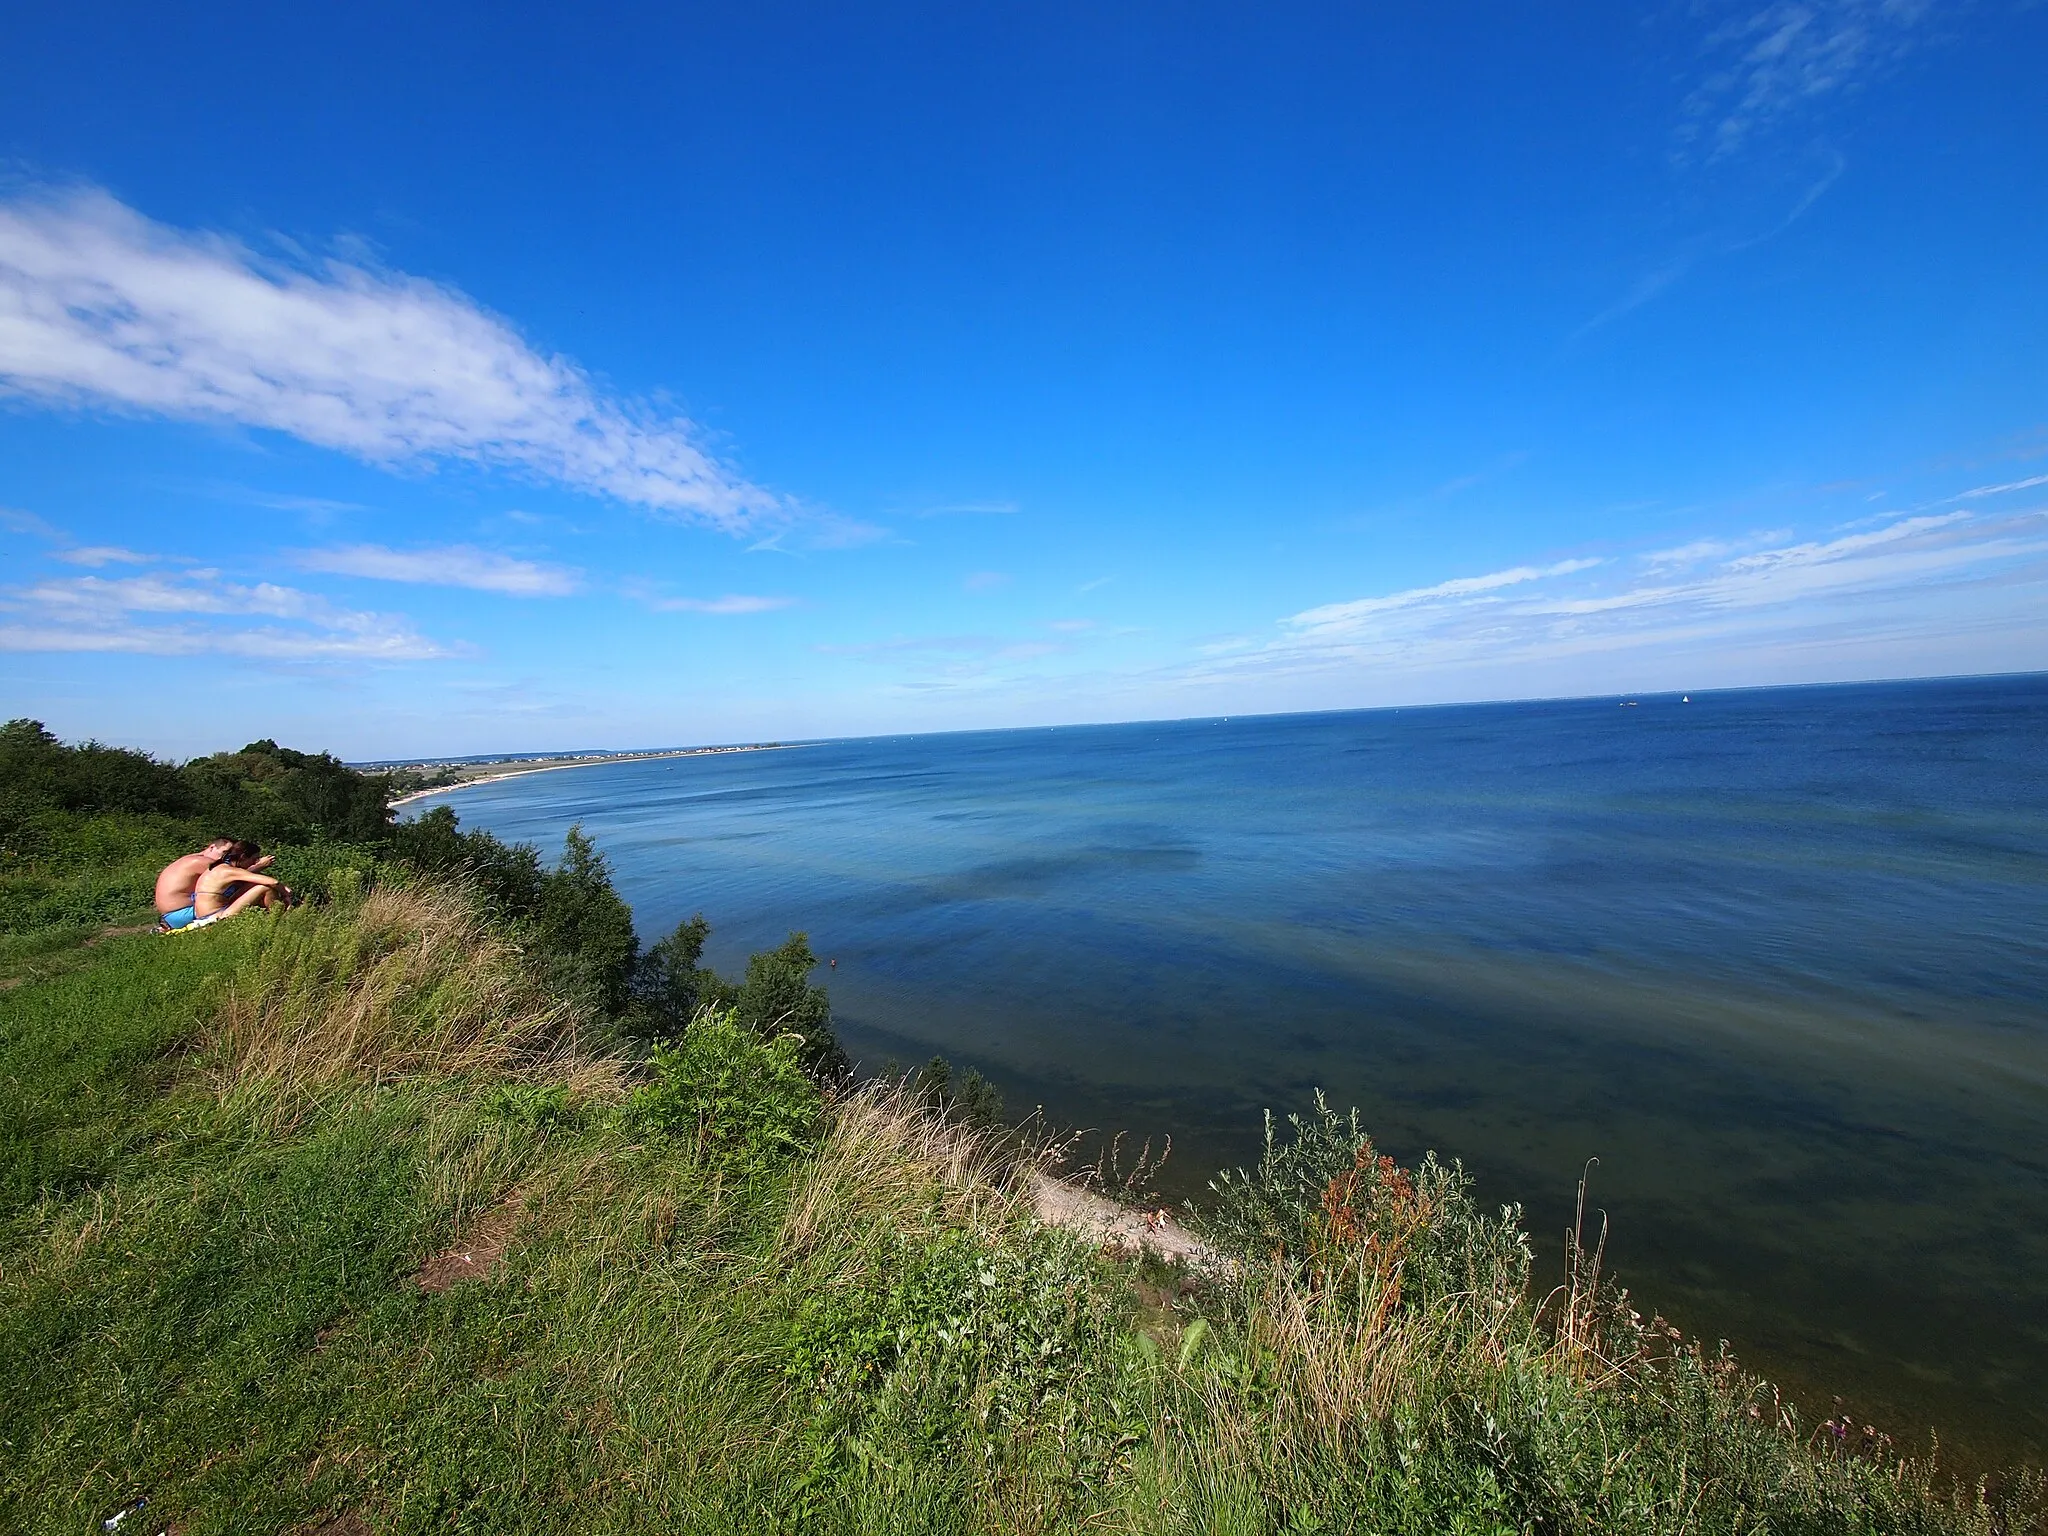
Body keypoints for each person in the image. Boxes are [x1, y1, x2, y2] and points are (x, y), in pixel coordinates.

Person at [189, 841, 294, 926]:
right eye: (254, 859)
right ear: (243, 857)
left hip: (205, 915)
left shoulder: (219, 868)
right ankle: (279, 920)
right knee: (264, 888)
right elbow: (273, 882)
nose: (254, 863)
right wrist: (286, 893)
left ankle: (272, 915)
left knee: (252, 885)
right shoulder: (228, 871)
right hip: (214, 916)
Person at [155, 837, 238, 931]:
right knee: (240, 897)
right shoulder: (203, 862)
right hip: (183, 913)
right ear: (212, 847)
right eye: (224, 852)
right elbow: (235, 878)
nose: (225, 858)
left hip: (171, 916)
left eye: (229, 855)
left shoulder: (189, 858)